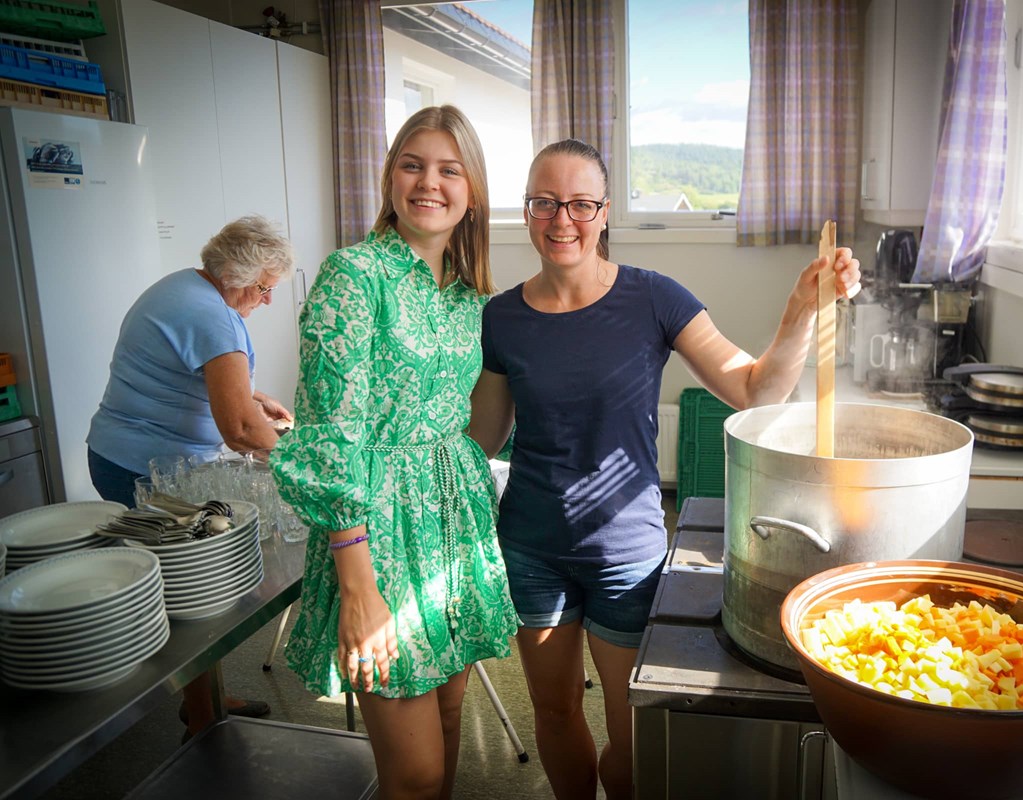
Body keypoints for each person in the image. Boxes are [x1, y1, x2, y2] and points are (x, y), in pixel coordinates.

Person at [468, 139, 862, 800]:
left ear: (604, 212)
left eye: (580, 204)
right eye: (544, 202)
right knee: (556, 711)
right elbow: (480, 438)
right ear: (527, 210)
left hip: (627, 552)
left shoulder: (654, 299)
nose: (562, 219)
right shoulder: (500, 318)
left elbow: (755, 390)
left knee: (633, 735)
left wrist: (799, 310)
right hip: (532, 547)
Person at [270, 105, 519, 800]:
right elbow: (327, 436)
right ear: (389, 178)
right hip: (377, 538)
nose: (428, 182)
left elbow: (481, 422)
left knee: (446, 724)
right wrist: (359, 585)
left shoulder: (472, 297)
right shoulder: (354, 276)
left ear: (471, 190)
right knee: (414, 773)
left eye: (448, 168)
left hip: (455, 525)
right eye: (412, 165)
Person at [86, 213, 297, 733]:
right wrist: (300, 462)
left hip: (115, 452)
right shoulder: (215, 317)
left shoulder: (180, 286)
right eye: (265, 289)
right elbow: (243, 433)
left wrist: (255, 396)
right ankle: (203, 719)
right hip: (149, 469)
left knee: (189, 591)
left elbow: (185, 371)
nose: (268, 300)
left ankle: (207, 698)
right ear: (237, 278)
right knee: (193, 599)